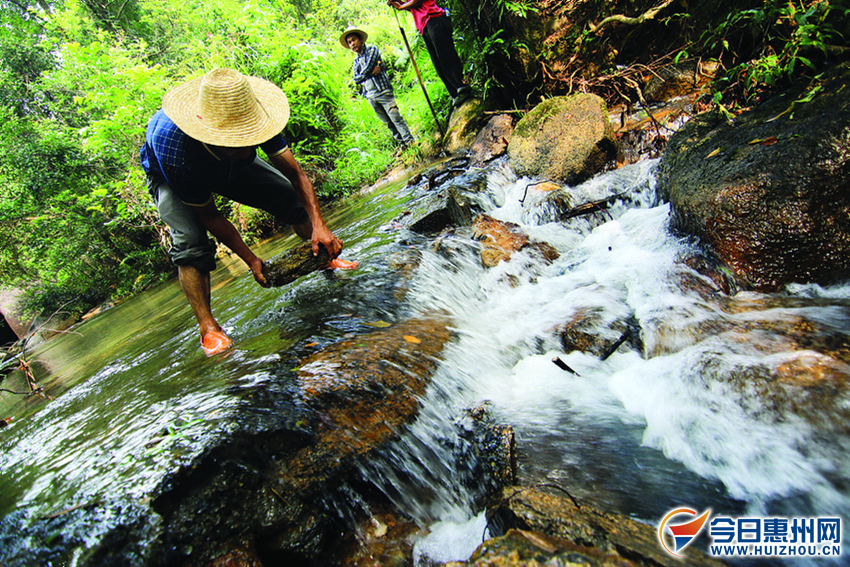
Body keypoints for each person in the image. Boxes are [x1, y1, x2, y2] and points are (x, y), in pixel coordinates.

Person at [140, 68, 356, 356]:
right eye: (239, 141)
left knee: (291, 199)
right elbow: (210, 216)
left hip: (224, 162)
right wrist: (251, 259)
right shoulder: (176, 149)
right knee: (191, 243)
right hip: (170, 176)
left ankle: (324, 260)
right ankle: (208, 329)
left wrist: (319, 224)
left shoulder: (257, 115)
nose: (249, 147)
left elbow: (297, 176)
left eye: (250, 138)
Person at [387, 0, 473, 108]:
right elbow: (412, 7)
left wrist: (400, 7)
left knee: (445, 55)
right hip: (424, 25)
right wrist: (398, 2)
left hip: (434, 18)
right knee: (437, 62)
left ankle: (461, 87)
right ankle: (455, 93)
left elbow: (417, 2)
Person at [341, 26, 415, 149]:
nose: (352, 44)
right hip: (370, 96)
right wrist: (369, 73)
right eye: (349, 42)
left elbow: (368, 66)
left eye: (354, 40)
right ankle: (402, 144)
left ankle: (410, 141)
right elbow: (356, 79)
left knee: (395, 116)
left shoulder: (372, 50)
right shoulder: (356, 61)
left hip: (382, 90)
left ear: (361, 39)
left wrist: (364, 74)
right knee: (387, 122)